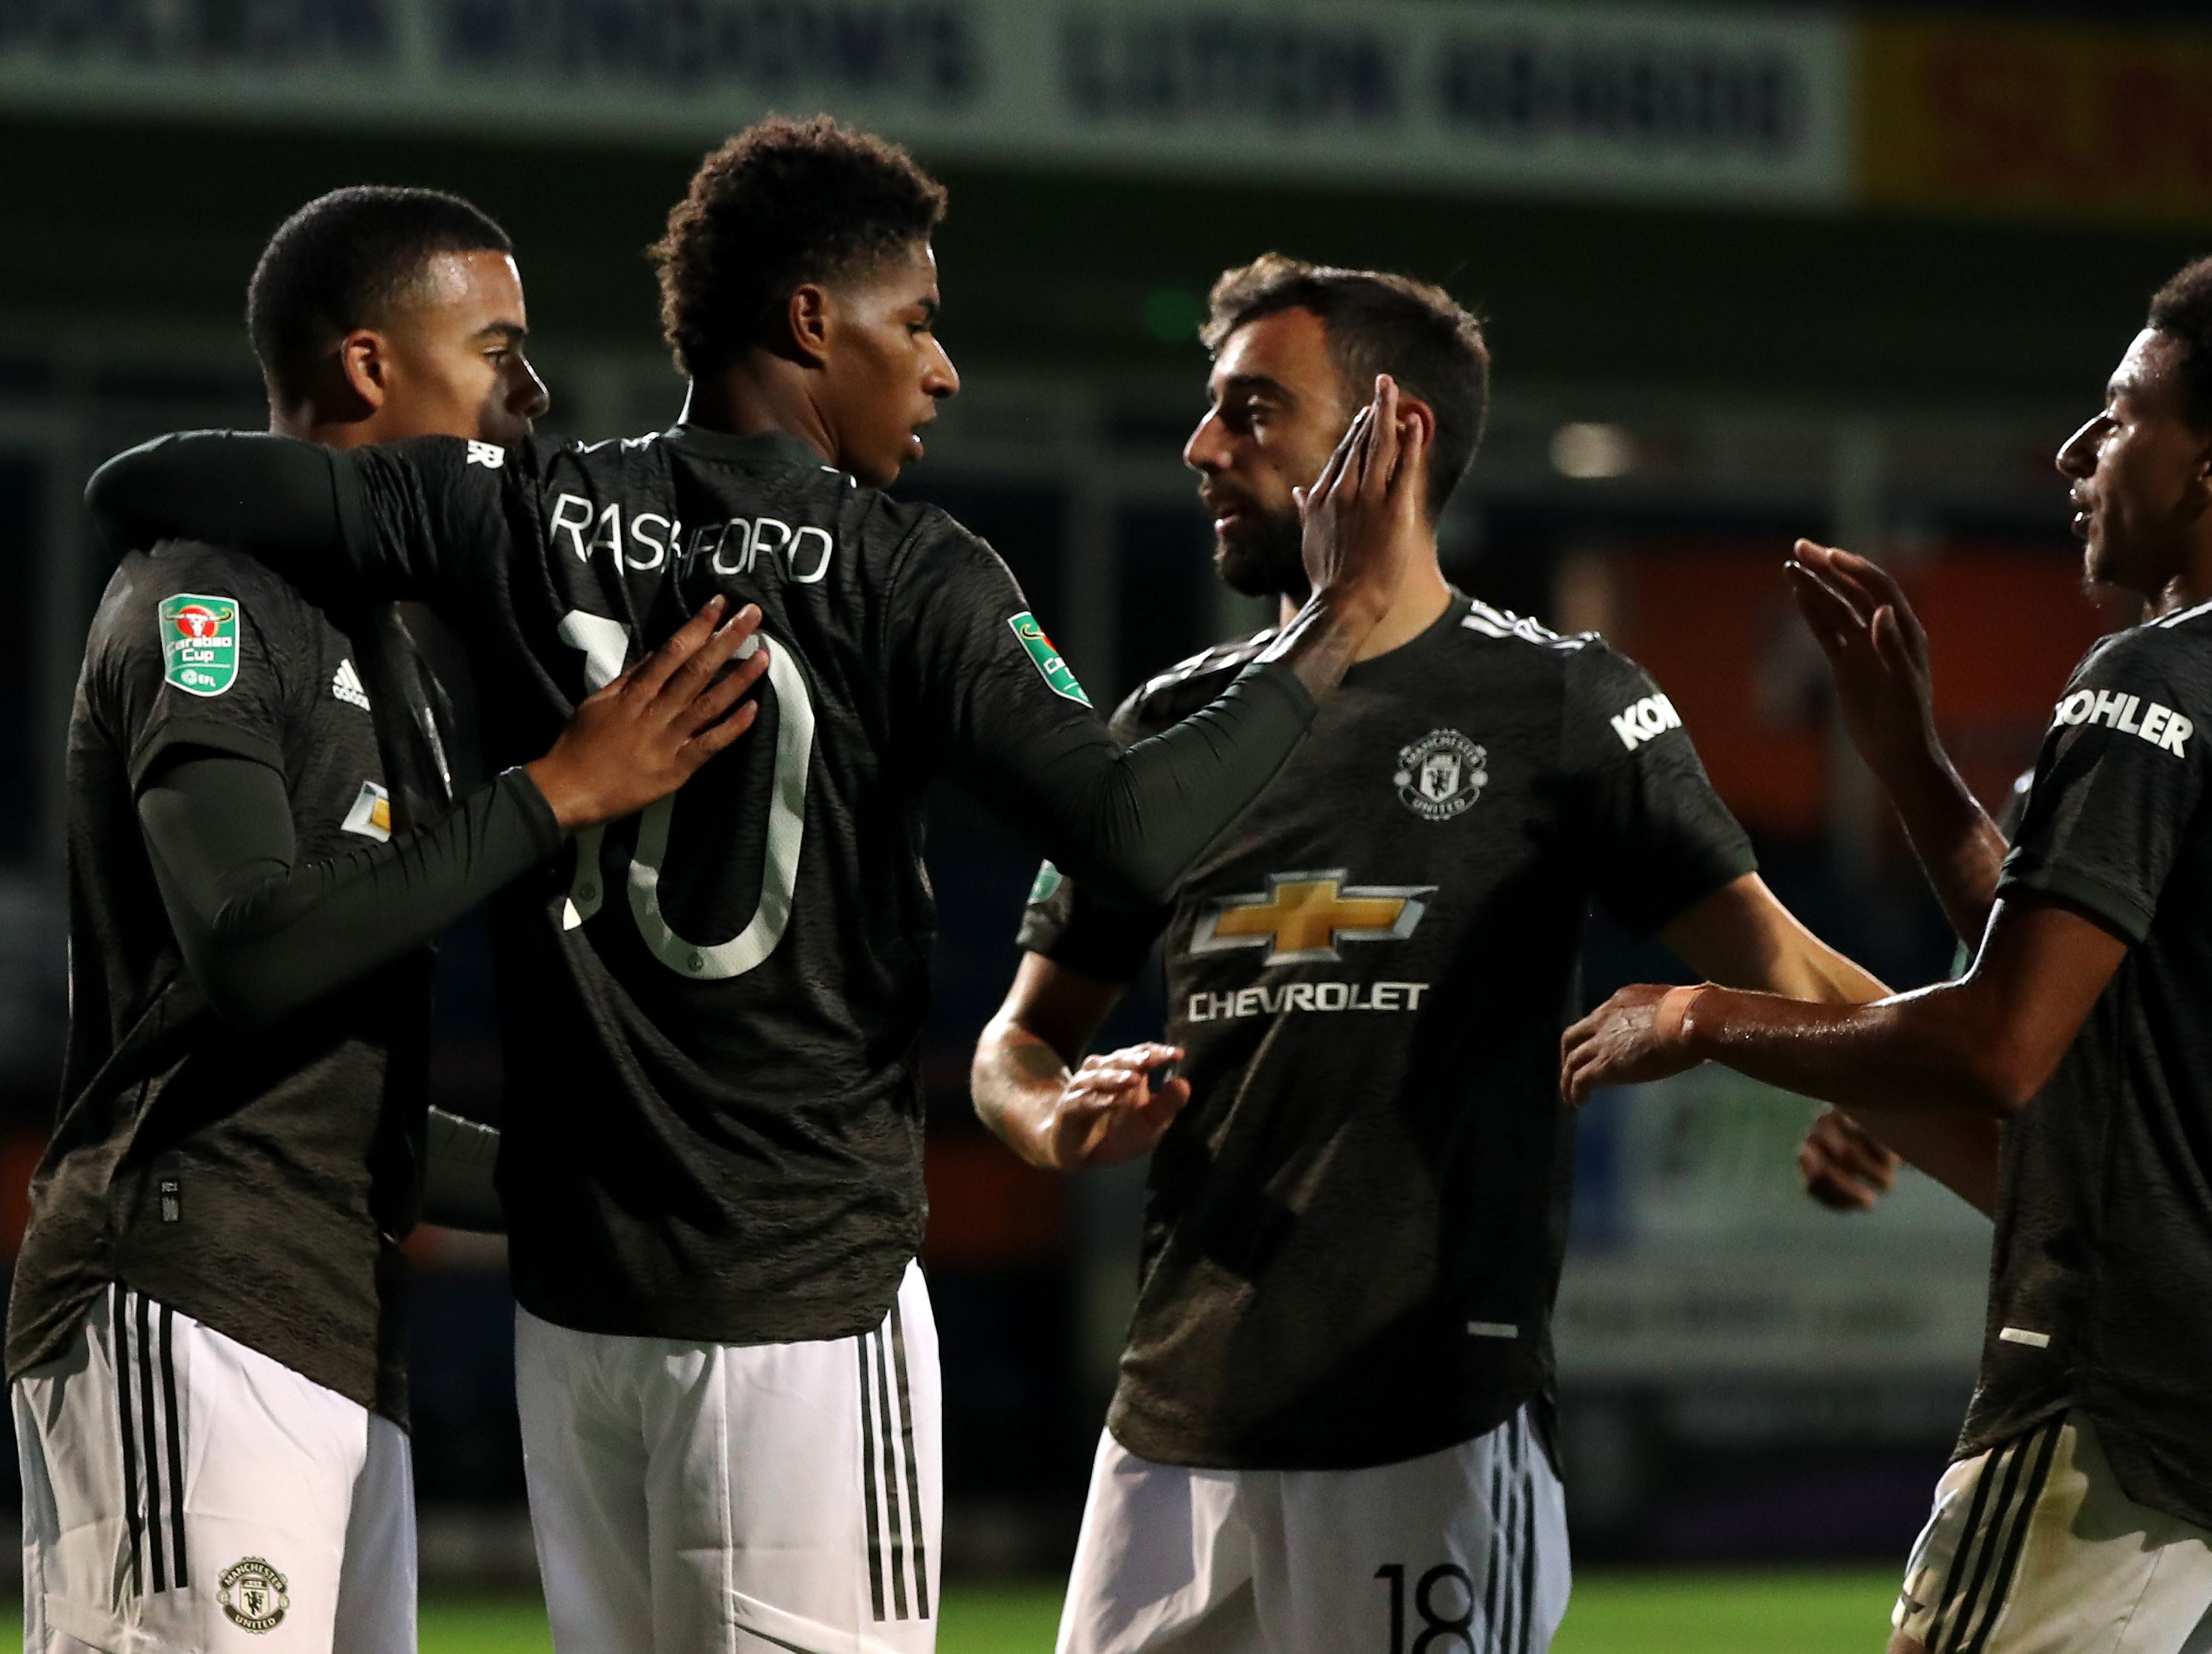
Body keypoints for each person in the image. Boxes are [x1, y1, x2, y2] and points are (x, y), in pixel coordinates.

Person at [80, 120, 1418, 1652]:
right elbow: (1129, 830)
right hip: (793, 1292)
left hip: (577, 1332)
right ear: (808, 323)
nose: (941, 367)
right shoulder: (915, 571)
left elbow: (157, 479)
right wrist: (1339, 620)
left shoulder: (515, 508)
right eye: (913, 322)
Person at [966, 254, 1994, 1654]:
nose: (1206, 447)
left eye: (1253, 411)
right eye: (1212, 412)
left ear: (1394, 435)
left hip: (1429, 1427)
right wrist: (1045, 1118)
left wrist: (1943, 1111)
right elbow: (1013, 1044)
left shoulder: (1560, 702)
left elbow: (1786, 964)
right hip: (1168, 1438)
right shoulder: (1164, 729)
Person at [8, 186, 769, 1654]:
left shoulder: (393, 651)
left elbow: (360, 1103)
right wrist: (554, 793)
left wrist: (636, 1182)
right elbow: (253, 947)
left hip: (326, 1316)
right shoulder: (199, 599)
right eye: (498, 349)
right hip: (186, 1291)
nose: (528, 396)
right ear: (371, 366)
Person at [1564, 255, 2212, 1654]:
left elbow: (2004, 1044)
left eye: (2121, 416)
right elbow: (2092, 1000)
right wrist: (1915, 770)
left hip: (2121, 1416)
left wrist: (1703, 1016)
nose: (2077, 452)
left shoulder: (2152, 684)